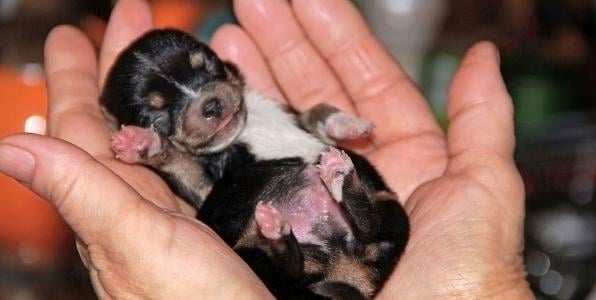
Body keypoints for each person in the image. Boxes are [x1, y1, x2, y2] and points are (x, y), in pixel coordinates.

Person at [0, 0, 534, 298]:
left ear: (221, 63)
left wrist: (336, 123)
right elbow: (204, 189)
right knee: (239, 221)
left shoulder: (262, 109)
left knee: (344, 187)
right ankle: (283, 246)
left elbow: (307, 122)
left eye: (205, 74)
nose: (206, 102)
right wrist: (161, 155)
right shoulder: (215, 171)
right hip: (302, 244)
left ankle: (317, 225)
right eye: (166, 110)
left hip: (341, 220)